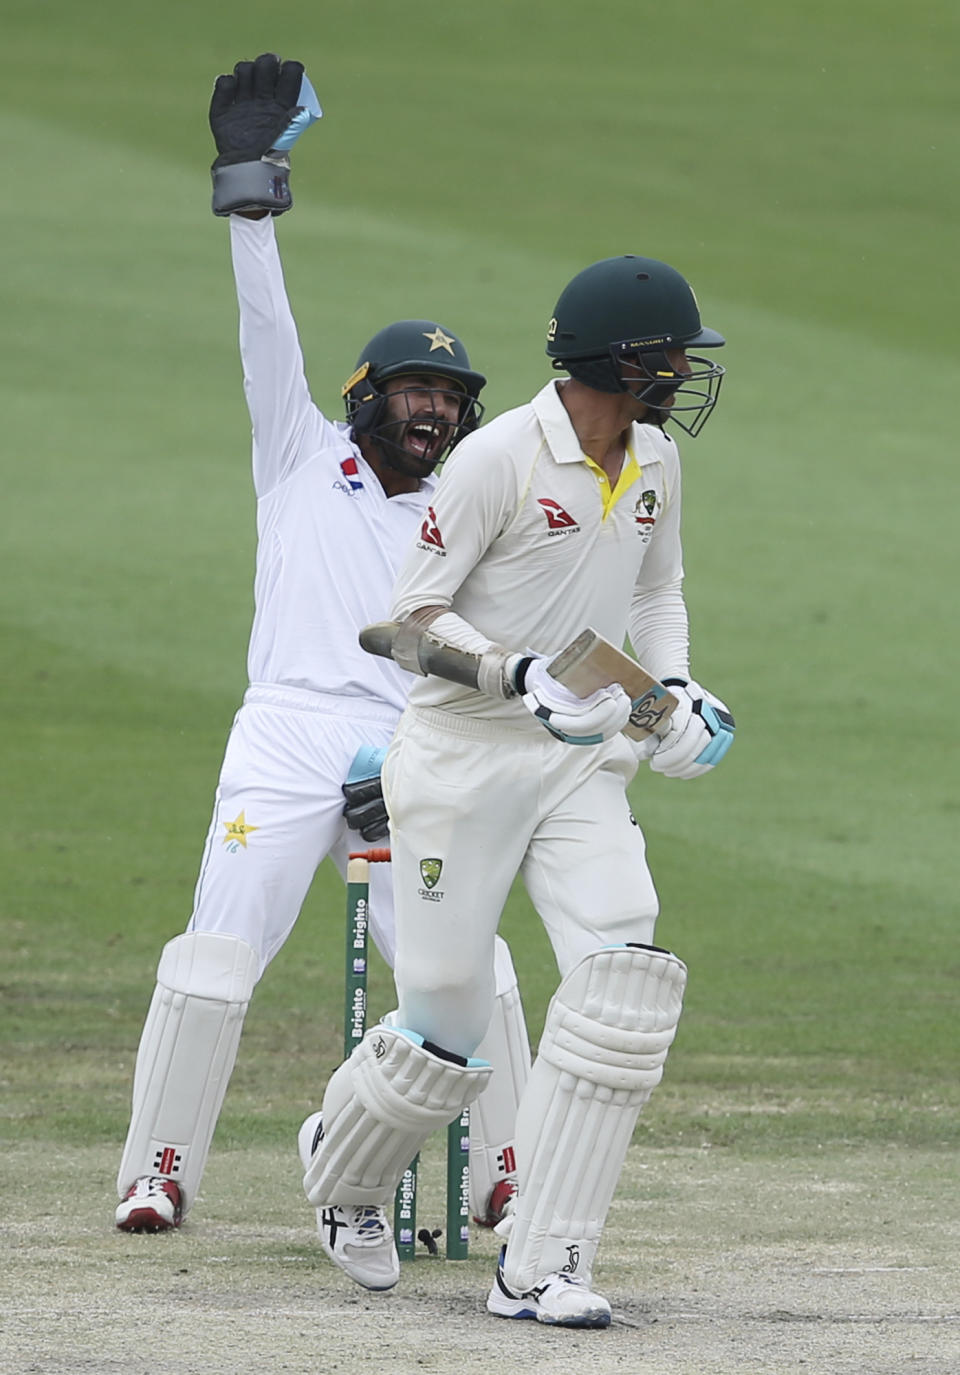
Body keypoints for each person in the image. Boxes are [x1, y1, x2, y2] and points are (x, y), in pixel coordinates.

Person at [114, 53, 530, 1257]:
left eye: (450, 397)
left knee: (471, 969)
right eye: (412, 389)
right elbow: (264, 324)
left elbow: (484, 645)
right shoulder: (298, 453)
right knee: (213, 953)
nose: (433, 411)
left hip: (414, 747)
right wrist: (252, 195)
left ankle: (513, 1170)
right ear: (363, 400)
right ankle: (155, 1171)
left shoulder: (472, 506)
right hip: (288, 731)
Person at [299, 251, 736, 1325]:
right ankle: (345, 1168)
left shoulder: (657, 463)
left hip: (580, 756)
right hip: (459, 760)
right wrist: (516, 674)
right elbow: (409, 622)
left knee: (623, 976)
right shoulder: (498, 457)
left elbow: (658, 588)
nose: (683, 372)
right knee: (446, 1022)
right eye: (670, 356)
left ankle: (543, 1259)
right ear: (615, 360)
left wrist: (668, 695)